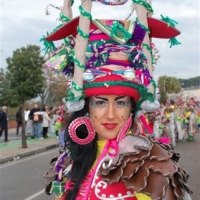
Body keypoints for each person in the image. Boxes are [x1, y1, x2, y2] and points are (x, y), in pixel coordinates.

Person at [43, 1, 192, 199]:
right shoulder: (69, 160)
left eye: (121, 102)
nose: (111, 114)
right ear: (87, 107)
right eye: (101, 102)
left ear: (132, 107)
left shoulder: (151, 163)